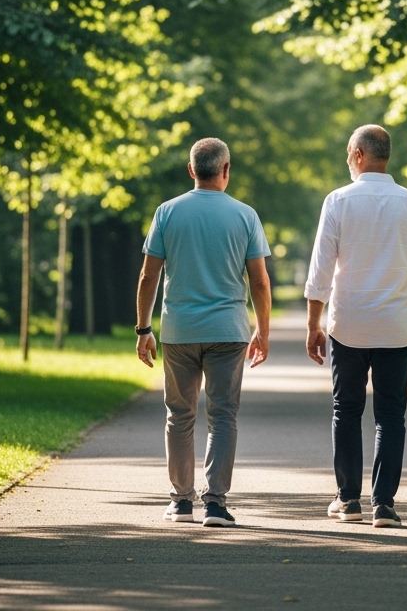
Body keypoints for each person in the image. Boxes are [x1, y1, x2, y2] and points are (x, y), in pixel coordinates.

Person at [304, 124, 407, 528]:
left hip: (347, 323)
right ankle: (384, 504)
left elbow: (320, 272)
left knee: (345, 409)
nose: (348, 161)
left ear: (359, 154)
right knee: (391, 415)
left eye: (349, 154)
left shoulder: (337, 201)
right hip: (397, 326)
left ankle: (348, 500)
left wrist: (314, 323)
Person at [135, 137, 271, 527]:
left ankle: (180, 503)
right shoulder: (245, 215)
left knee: (179, 416)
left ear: (191, 170)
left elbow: (149, 274)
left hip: (179, 331)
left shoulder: (167, 212)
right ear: (226, 170)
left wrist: (144, 328)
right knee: (223, 415)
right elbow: (259, 283)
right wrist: (262, 328)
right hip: (229, 331)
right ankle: (215, 503)